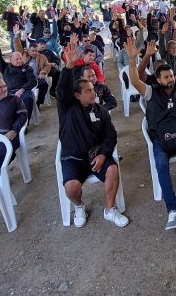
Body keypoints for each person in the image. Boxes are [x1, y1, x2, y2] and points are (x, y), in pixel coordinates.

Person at [125, 41, 176, 230]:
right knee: (161, 164)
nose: (170, 79)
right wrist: (135, 58)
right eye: (166, 77)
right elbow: (136, 80)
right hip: (161, 140)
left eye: (171, 76)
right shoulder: (151, 91)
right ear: (158, 79)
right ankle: (173, 210)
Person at [57, 36, 129, 228]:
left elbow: (111, 135)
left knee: (113, 169)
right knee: (71, 188)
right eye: (88, 90)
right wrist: (70, 66)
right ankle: (79, 206)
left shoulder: (101, 110)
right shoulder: (67, 108)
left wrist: (104, 155)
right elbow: (62, 91)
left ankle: (110, 209)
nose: (93, 92)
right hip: (73, 158)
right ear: (78, 95)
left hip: (96, 157)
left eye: (93, 89)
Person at [0, 29, 38, 122]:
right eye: (17, 59)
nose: (20, 61)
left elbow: (33, 81)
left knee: (28, 98)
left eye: (20, 58)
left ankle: (24, 123)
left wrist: (22, 90)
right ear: (10, 60)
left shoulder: (27, 68)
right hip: (8, 92)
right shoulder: (5, 68)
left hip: (23, 91)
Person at [14, 28, 52, 108]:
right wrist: (16, 36)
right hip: (25, 79)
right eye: (32, 51)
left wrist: (43, 72)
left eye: (36, 51)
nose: (35, 53)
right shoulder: (23, 54)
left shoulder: (42, 57)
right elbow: (18, 47)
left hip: (37, 77)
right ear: (28, 50)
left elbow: (47, 65)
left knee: (44, 84)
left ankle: (39, 102)